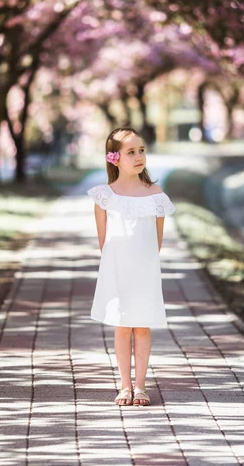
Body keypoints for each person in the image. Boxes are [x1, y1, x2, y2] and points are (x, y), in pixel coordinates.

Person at [87, 127, 176, 407]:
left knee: (142, 327)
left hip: (145, 270)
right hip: (118, 270)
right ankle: (124, 385)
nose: (138, 157)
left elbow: (157, 239)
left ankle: (141, 386)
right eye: (131, 152)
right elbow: (104, 240)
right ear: (115, 158)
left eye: (141, 150)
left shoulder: (155, 195)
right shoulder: (105, 196)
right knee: (123, 327)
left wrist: (144, 264)